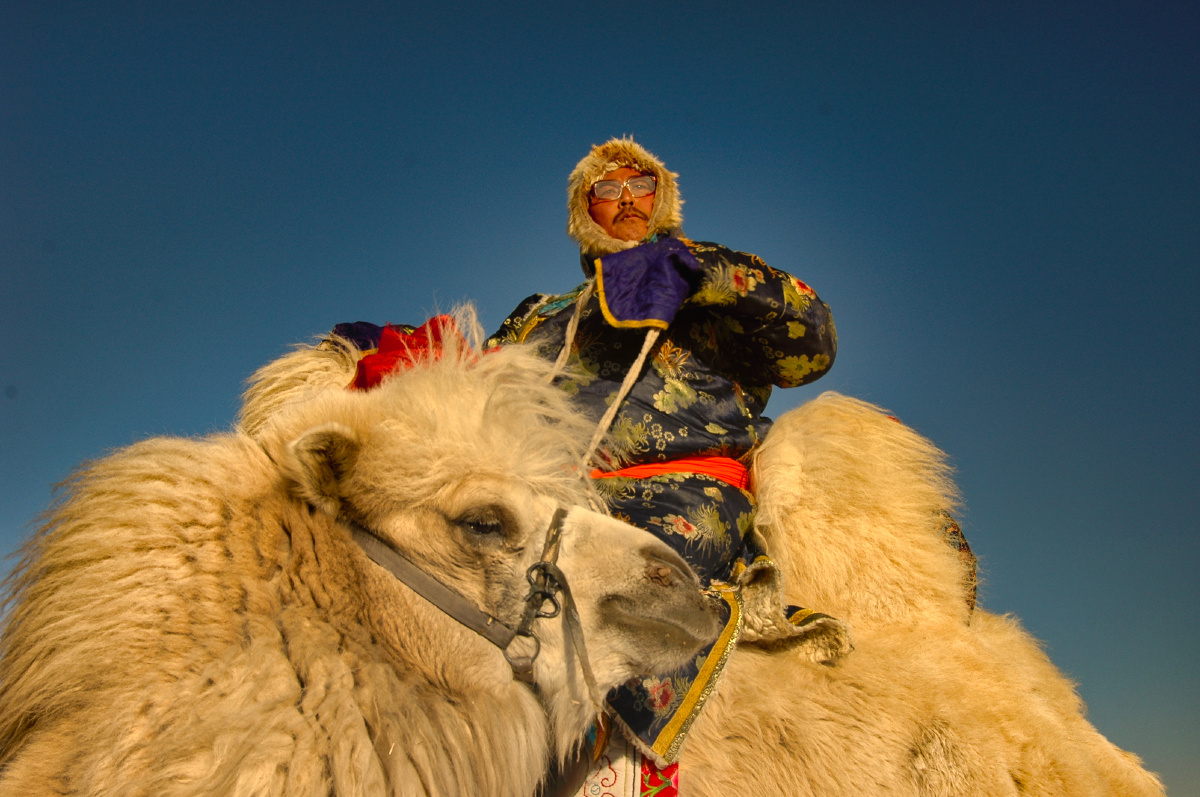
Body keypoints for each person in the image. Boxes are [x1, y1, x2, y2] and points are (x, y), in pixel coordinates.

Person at [486, 138, 850, 795]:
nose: (626, 199)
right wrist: (385, 350)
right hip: (547, 498)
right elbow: (467, 376)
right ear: (583, 212)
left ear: (664, 200)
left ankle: (618, 759)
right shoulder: (541, 315)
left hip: (680, 495)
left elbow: (812, 344)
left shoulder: (710, 288)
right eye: (607, 190)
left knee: (630, 584)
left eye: (641, 186)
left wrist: (697, 272)